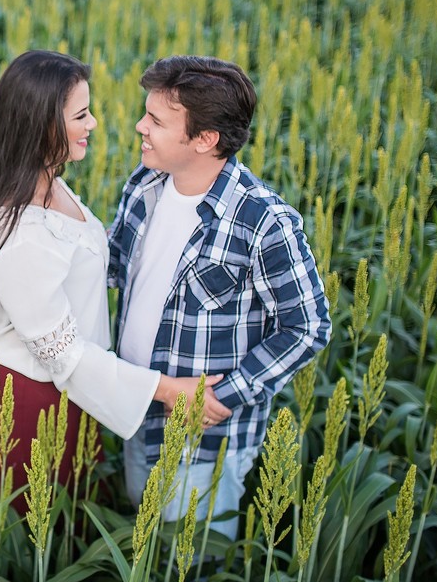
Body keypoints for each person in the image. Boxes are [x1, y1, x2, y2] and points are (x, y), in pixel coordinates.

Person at [0, 50, 227, 512]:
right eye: (80, 115)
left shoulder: (47, 182)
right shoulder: (24, 236)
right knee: (46, 532)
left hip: (72, 392)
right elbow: (66, 355)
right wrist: (167, 389)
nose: (93, 123)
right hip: (29, 402)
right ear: (42, 126)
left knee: (73, 518)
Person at [109, 55, 331, 538]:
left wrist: (222, 397)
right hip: (137, 408)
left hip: (204, 438)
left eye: (156, 121)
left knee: (189, 567)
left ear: (205, 139)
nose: (140, 126)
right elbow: (112, 267)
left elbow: (308, 326)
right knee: (143, 550)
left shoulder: (263, 221)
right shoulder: (144, 186)